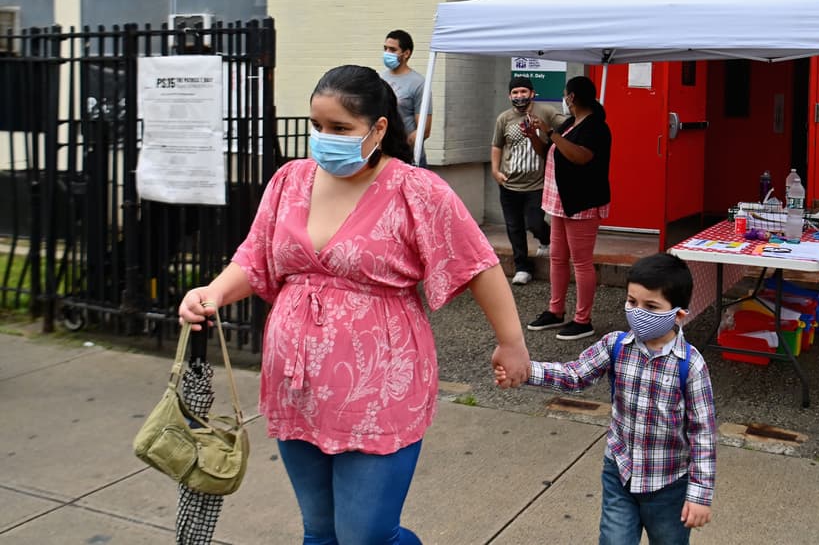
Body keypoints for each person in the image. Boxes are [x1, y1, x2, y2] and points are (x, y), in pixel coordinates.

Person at [178, 64, 531, 545]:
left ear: (379, 127)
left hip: (379, 386)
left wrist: (512, 343)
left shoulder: (416, 190)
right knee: (319, 532)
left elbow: (477, 265)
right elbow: (256, 255)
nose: (324, 139)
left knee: (365, 536)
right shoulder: (290, 180)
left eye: (340, 129)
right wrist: (214, 292)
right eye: (317, 126)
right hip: (294, 382)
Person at [496, 253, 716, 545]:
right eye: (631, 302)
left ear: (677, 315)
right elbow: (574, 375)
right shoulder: (616, 346)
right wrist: (526, 371)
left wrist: (699, 495)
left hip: (668, 483)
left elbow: (703, 434)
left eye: (650, 306)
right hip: (620, 473)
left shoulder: (691, 365)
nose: (637, 312)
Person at [522, 75, 612, 341]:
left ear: (572, 97)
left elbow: (580, 156)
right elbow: (550, 151)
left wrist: (550, 132)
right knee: (557, 257)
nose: (564, 97)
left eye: (565, 94)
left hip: (582, 202)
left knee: (581, 262)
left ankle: (583, 320)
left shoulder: (597, 126)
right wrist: (535, 136)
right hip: (561, 201)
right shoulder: (572, 123)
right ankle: (556, 310)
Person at [491, 76, 562, 286]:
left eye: (523, 91)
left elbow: (567, 127)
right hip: (509, 183)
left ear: (532, 93)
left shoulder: (546, 112)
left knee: (535, 222)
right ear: (509, 96)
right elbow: (496, 145)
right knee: (514, 227)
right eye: (515, 92)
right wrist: (495, 171)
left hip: (537, 184)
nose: (519, 96)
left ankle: (545, 239)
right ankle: (522, 267)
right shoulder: (504, 118)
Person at [380, 30, 430, 158]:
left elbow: (424, 129)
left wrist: (402, 147)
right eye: (385, 48)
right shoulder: (379, 78)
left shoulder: (419, 83)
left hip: (408, 156)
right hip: (382, 155)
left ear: (406, 53)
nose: (387, 53)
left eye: (392, 49)